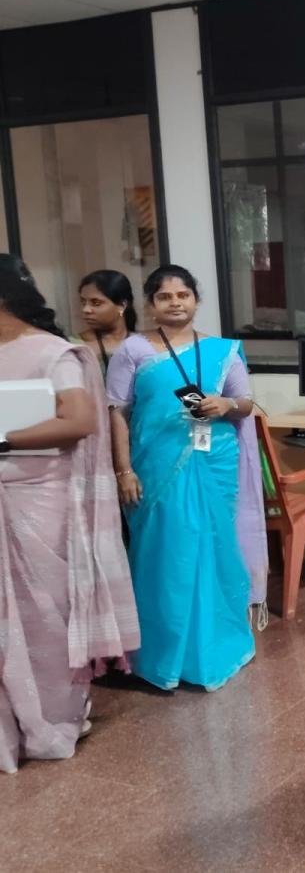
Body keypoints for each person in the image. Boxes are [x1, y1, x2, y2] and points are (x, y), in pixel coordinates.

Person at [0, 254, 140, 773]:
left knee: (45, 615)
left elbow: (79, 420)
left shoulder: (55, 352)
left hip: (42, 503)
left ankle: (53, 717)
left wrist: (3, 439)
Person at [106, 265, 267, 691]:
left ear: (196, 300)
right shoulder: (133, 350)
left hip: (215, 461)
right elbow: (117, 413)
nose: (175, 302)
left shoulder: (222, 349)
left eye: (183, 295)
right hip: (154, 466)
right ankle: (160, 656)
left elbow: (246, 403)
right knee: (165, 554)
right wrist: (124, 470)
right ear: (150, 304)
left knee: (215, 547)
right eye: (164, 296)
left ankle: (216, 648)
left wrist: (225, 405)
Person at [74, 270, 137, 375]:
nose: (86, 309)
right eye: (83, 302)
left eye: (96, 303)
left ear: (122, 305)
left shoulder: (143, 343)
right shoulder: (75, 346)